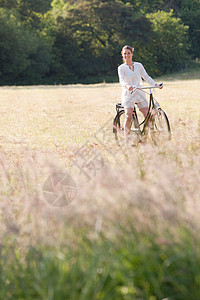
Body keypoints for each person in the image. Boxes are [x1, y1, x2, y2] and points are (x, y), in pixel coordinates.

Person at [118, 45, 162, 145]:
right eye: (125, 54)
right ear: (122, 55)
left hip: (140, 93)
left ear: (132, 54)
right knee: (128, 116)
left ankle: (144, 140)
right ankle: (127, 140)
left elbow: (146, 77)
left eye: (128, 53)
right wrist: (127, 86)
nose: (127, 55)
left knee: (148, 117)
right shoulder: (121, 68)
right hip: (128, 94)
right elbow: (122, 80)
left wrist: (155, 84)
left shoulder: (139, 65)